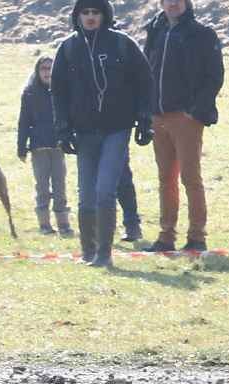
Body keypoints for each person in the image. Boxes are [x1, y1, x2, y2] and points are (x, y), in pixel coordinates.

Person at [50, 0, 150, 267]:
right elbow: (57, 91)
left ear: (105, 15)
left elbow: (144, 80)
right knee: (86, 195)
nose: (91, 17)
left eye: (96, 12)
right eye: (86, 12)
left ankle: (104, 254)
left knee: (105, 189)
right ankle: (88, 251)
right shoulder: (68, 48)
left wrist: (144, 118)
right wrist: (62, 128)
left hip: (117, 129)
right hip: (83, 132)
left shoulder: (122, 43)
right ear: (78, 16)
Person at [143, 0, 222, 253]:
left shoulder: (202, 34)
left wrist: (194, 111)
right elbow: (146, 70)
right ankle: (166, 238)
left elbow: (214, 75)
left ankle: (196, 238)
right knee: (166, 179)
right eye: (168, 0)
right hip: (158, 116)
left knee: (190, 178)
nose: (173, 3)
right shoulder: (154, 30)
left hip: (186, 119)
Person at [17, 54, 70, 235]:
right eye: (43, 69)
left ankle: (63, 224)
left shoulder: (62, 90)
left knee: (60, 185)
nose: (47, 72)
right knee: (42, 186)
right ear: (37, 71)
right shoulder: (29, 93)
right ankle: (44, 224)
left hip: (58, 146)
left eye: (50, 68)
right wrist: (21, 147)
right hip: (38, 147)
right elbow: (23, 121)